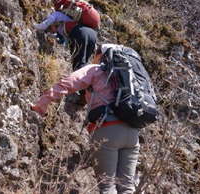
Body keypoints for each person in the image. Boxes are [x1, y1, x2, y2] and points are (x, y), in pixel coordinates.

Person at [31, 44, 140, 194]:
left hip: (108, 130)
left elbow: (68, 83)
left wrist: (43, 101)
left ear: (101, 55)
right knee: (127, 187)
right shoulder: (131, 76)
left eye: (95, 54)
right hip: (133, 133)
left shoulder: (96, 70)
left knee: (107, 186)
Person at [34, 0, 98, 71]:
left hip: (80, 34)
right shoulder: (64, 28)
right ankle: (84, 79)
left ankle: (79, 79)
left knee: (78, 62)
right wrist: (50, 35)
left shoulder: (61, 16)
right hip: (91, 35)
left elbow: (52, 18)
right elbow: (63, 41)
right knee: (81, 63)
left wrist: (39, 27)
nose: (52, 32)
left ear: (53, 23)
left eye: (50, 29)